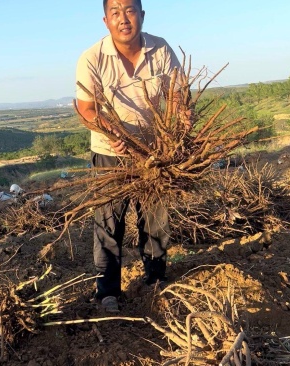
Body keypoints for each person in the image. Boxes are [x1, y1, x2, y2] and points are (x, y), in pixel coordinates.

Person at [76, 0, 185, 312]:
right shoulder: (92, 58)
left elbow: (176, 93)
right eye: (116, 12)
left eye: (129, 10)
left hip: (152, 153)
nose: (123, 19)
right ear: (106, 20)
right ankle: (107, 292)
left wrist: (180, 116)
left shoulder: (161, 50)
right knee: (109, 224)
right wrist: (112, 131)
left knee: (156, 219)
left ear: (142, 15)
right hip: (110, 153)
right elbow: (86, 108)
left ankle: (155, 281)